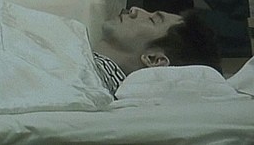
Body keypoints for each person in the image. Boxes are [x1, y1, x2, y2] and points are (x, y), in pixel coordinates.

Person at [92, 6, 222, 96]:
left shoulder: (89, 89)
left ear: (154, 59)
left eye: (152, 20)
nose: (134, 10)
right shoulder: (85, 66)